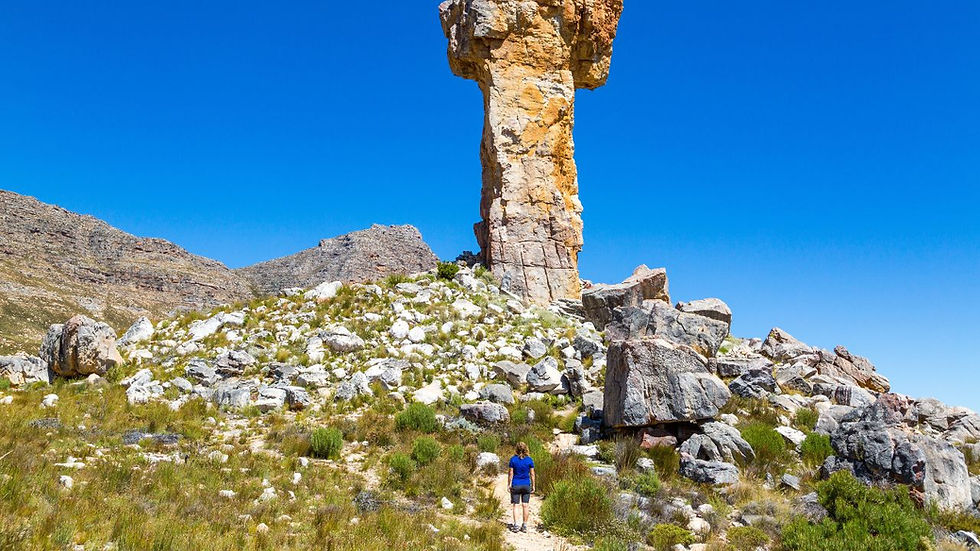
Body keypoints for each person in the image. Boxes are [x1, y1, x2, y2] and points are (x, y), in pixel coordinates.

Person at [508, 442, 536, 533]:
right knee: (525, 505)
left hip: (516, 484)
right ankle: (524, 525)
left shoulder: (513, 460)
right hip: (526, 484)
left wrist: (509, 484)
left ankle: (516, 525)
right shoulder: (529, 460)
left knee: (516, 505)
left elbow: (510, 473)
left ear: (516, 449)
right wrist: (533, 485)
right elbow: (532, 474)